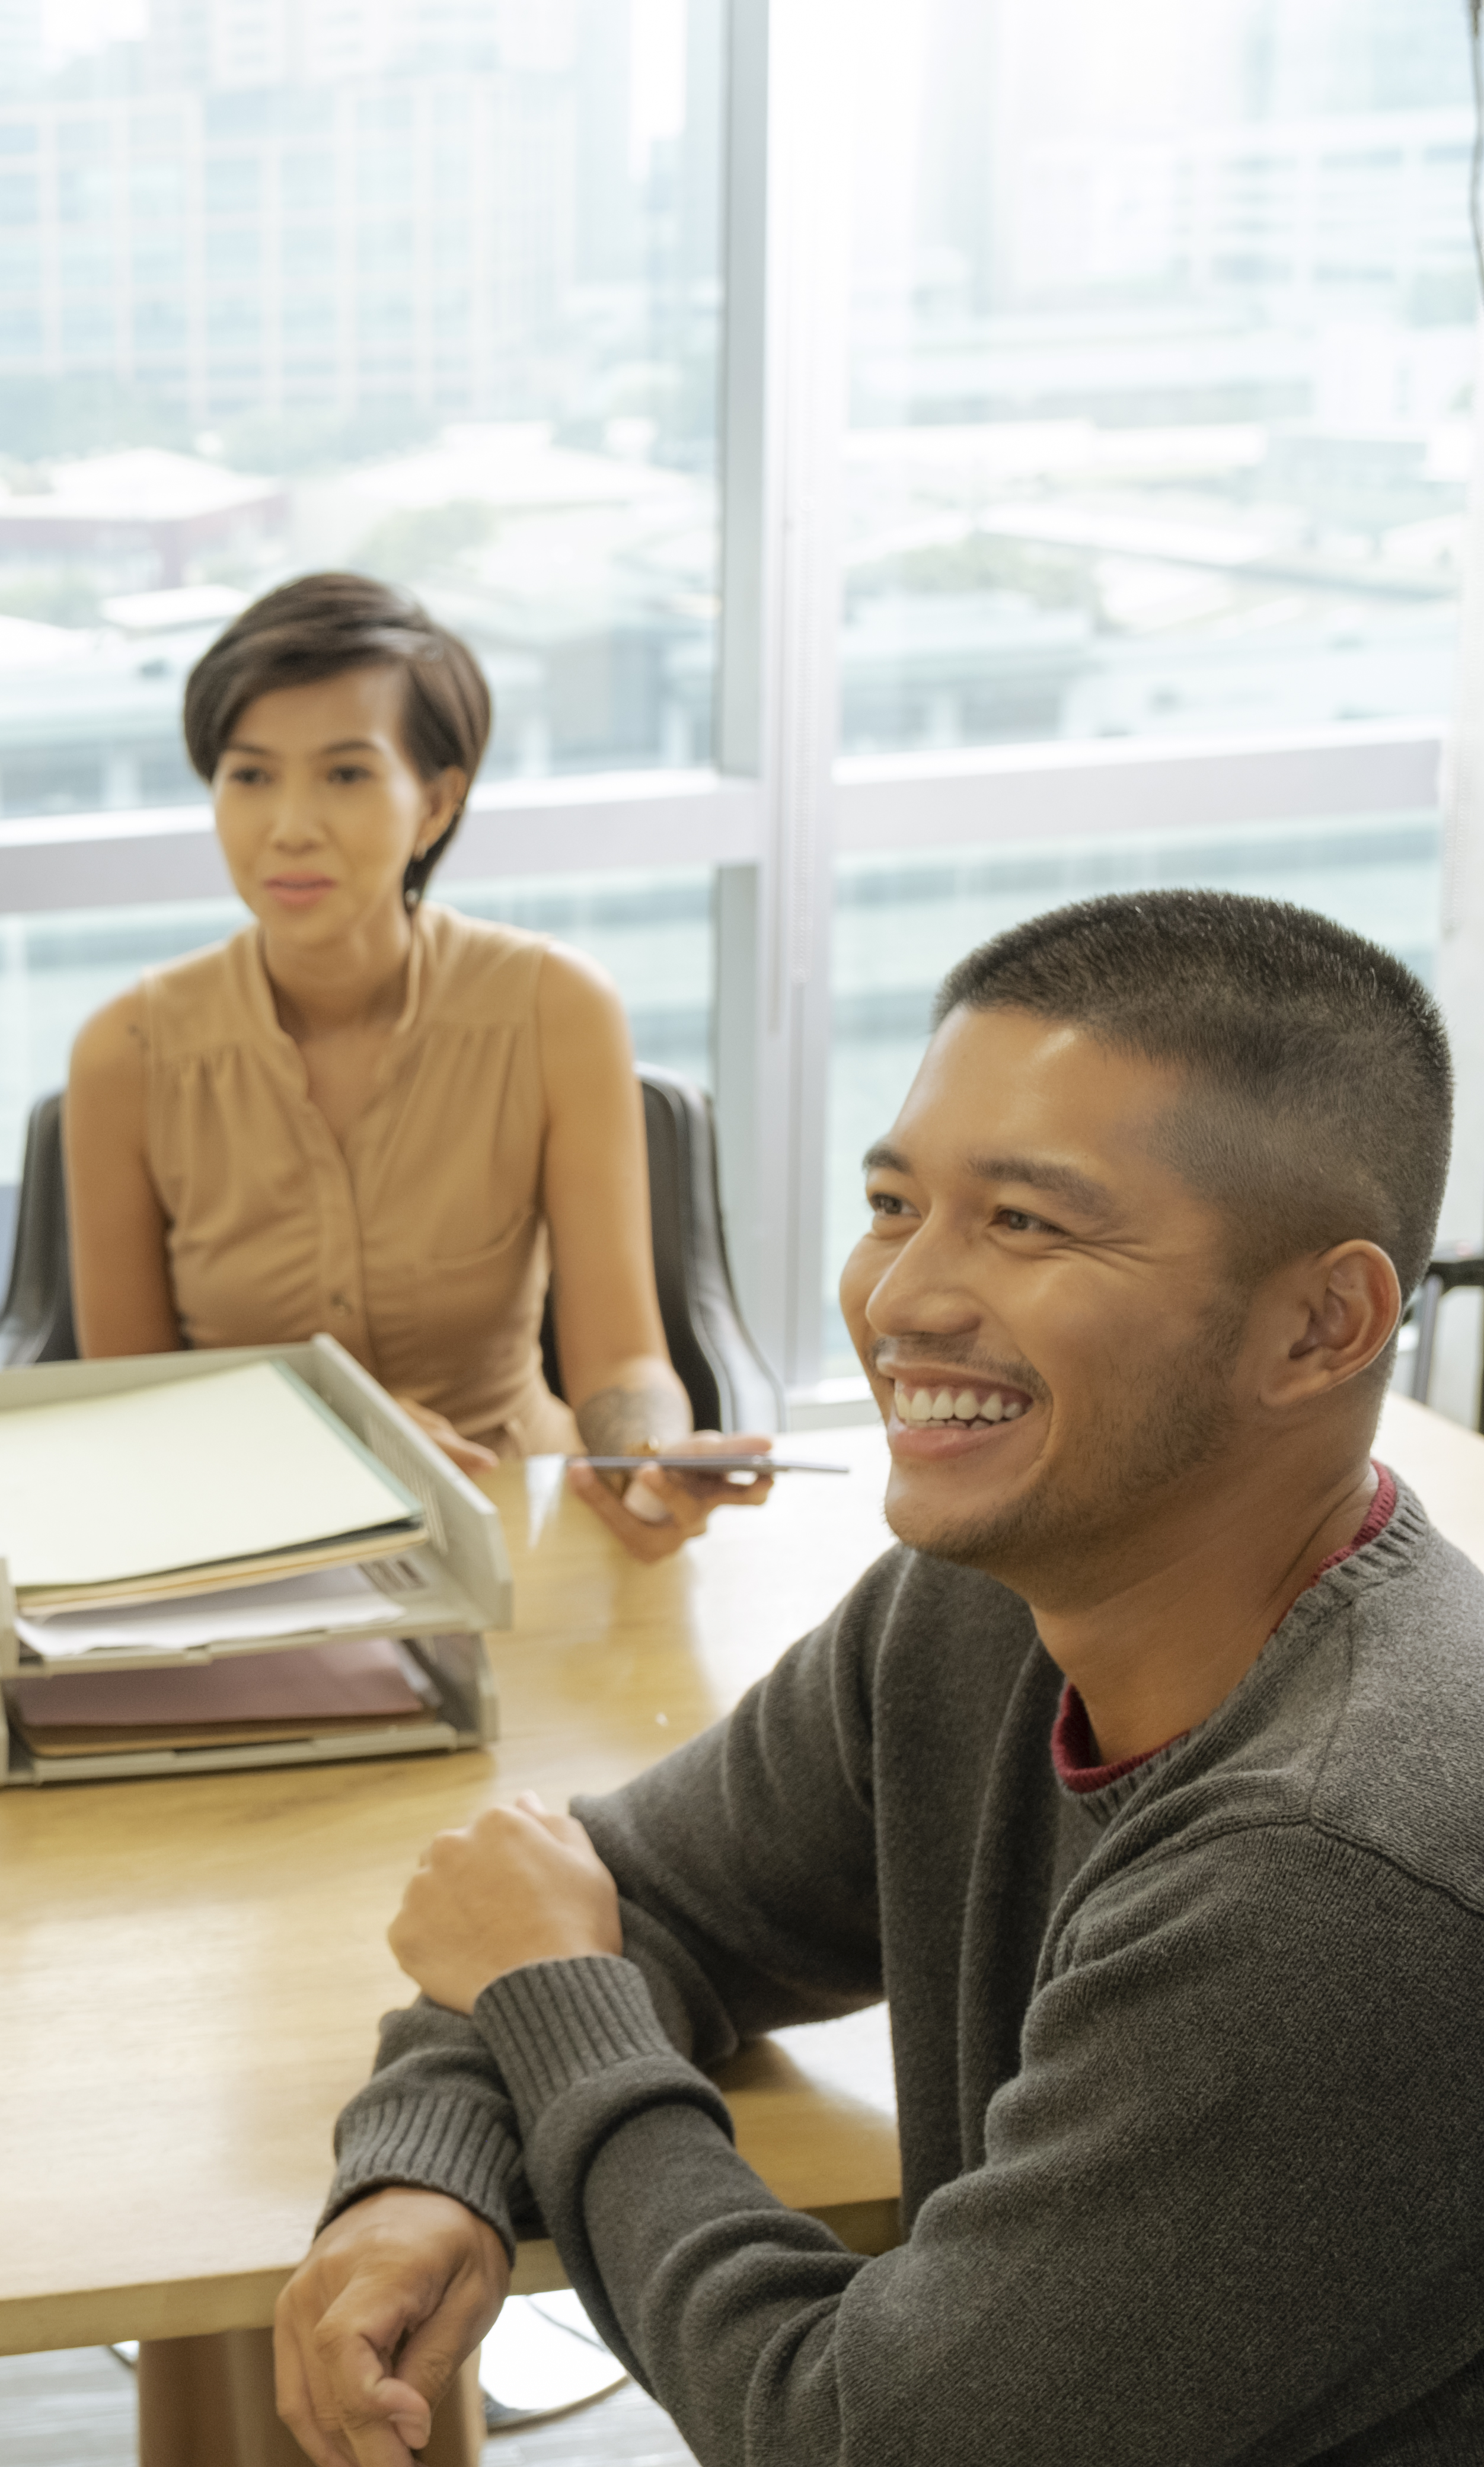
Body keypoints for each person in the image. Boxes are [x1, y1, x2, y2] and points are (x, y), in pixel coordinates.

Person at [272, 890, 1484, 2466]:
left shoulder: (1336, 1872)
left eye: (1028, 1224)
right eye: (896, 1203)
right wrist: (424, 2165)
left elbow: (855, 2435)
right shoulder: (984, 1605)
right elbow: (607, 1904)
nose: (902, 1298)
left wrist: (554, 2012)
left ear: (1324, 1324)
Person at [64, 572, 771, 1564]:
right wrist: (332, 1434)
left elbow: (621, 1361)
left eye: (346, 775)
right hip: (250, 1545)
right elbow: (129, 1403)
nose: (289, 826)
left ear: (437, 802)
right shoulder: (126, 1052)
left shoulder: (557, 1010)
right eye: (250, 775)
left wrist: (650, 1460)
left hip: (523, 1528)